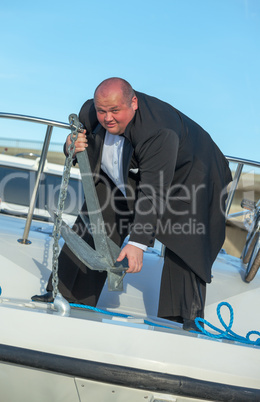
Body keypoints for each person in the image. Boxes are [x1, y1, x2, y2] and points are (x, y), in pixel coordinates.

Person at [32, 77, 232, 331]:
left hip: (196, 173)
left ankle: (186, 320)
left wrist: (137, 244)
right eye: (102, 110)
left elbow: (153, 191)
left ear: (133, 103)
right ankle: (68, 294)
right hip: (136, 168)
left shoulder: (158, 130)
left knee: (187, 236)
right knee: (100, 213)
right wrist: (70, 145)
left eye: (115, 110)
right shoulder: (89, 112)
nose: (107, 118)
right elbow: (87, 147)